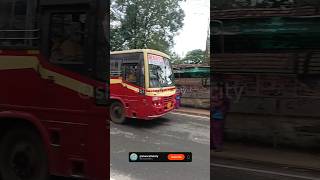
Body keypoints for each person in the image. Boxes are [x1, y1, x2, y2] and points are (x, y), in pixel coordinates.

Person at [211, 81, 230, 151]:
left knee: (218, 132)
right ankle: (214, 145)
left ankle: (218, 146)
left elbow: (219, 104)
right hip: (215, 116)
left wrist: (215, 105)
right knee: (214, 131)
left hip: (219, 116)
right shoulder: (217, 95)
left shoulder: (223, 97)